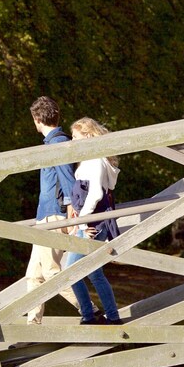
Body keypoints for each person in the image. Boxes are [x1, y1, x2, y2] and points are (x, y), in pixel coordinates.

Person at [23, 96, 101, 325]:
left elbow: (68, 180)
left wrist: (72, 213)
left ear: (36, 119)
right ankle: (32, 326)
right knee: (33, 276)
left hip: (53, 214)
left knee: (50, 272)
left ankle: (89, 309)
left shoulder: (57, 144)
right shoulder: (53, 143)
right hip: (44, 214)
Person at [66, 117, 123, 325]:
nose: (72, 141)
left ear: (88, 135)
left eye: (75, 136)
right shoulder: (94, 160)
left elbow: (96, 194)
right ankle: (110, 316)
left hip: (91, 224)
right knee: (94, 273)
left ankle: (89, 315)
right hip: (92, 222)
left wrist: (82, 222)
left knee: (71, 272)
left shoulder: (94, 160)